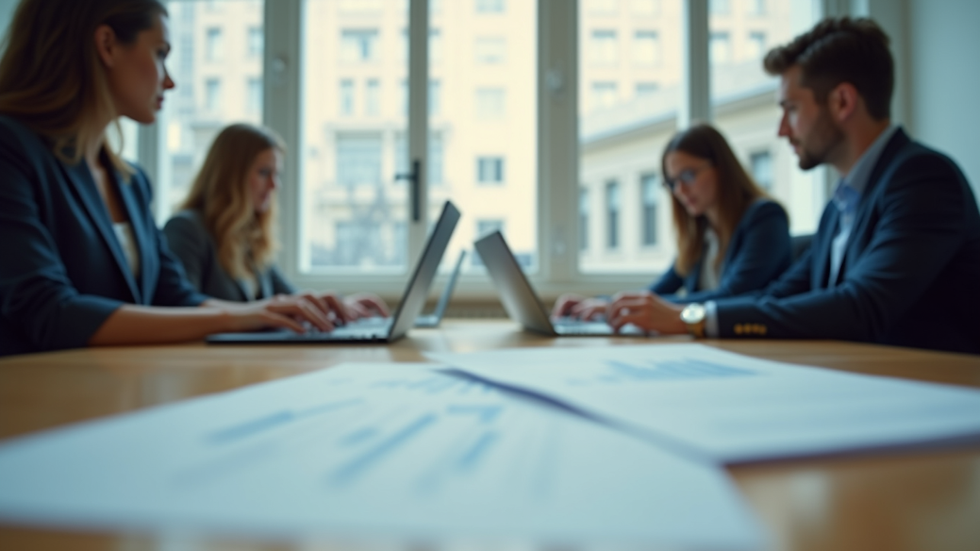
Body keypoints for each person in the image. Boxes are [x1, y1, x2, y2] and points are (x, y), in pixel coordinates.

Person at [606, 17, 980, 354]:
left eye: (792, 109)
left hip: (934, 395)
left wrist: (694, 319)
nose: (782, 130)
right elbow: (778, 295)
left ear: (842, 101)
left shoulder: (923, 179)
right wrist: (687, 315)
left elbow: (863, 305)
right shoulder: (841, 207)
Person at [0, 0, 343, 357]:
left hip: (117, 397)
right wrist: (235, 317)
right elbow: (48, 312)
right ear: (106, 45)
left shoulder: (131, 183)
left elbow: (174, 299)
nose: (171, 80)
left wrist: (267, 313)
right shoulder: (10, 150)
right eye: (160, 53)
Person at [553, 124, 792, 321]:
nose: (680, 190)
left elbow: (732, 296)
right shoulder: (702, 233)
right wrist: (602, 303)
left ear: (721, 168)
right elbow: (659, 290)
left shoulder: (765, 218)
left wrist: (625, 307)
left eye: (688, 175)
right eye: (672, 182)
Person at [162, 123, 389, 319]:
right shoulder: (187, 229)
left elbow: (290, 298)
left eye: (276, 174)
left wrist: (340, 306)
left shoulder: (246, 237)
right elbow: (180, 308)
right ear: (230, 175)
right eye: (263, 172)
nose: (274, 186)